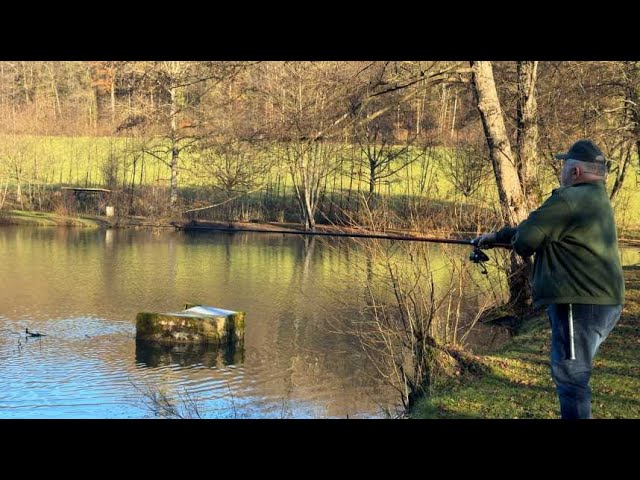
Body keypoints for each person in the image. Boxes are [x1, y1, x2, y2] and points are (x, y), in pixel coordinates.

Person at [474, 139, 625, 419]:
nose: (561, 170)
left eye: (564, 164)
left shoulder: (568, 199)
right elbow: (539, 228)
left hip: (577, 303)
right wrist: (497, 237)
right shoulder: (596, 199)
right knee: (575, 372)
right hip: (604, 302)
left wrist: (514, 238)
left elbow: (527, 240)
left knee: (571, 376)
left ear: (576, 172)